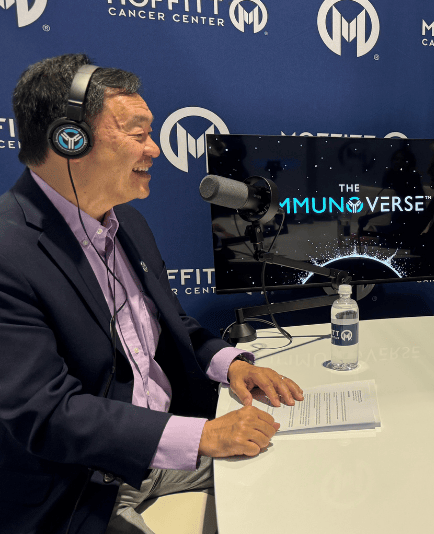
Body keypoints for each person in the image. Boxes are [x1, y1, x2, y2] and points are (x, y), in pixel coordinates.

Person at [0, 54, 304, 534]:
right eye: (138, 134)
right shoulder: (8, 250)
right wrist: (201, 435)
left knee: (301, 468)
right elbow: (45, 412)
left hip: (161, 455)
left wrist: (233, 365)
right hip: (79, 488)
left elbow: (169, 324)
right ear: (69, 140)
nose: (155, 149)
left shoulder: (128, 222)